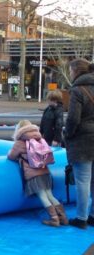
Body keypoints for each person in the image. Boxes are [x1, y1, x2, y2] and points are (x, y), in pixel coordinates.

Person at [7, 120, 68, 227]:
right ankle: (63, 218)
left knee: (43, 196)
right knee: (50, 195)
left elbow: (11, 156)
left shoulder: (20, 142)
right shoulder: (40, 139)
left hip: (33, 174)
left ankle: (54, 219)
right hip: (45, 171)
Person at [64, 59, 94, 229]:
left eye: (70, 71)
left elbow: (73, 118)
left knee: (82, 180)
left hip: (83, 141)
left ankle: (81, 218)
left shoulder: (77, 90)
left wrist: (67, 134)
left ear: (76, 71)